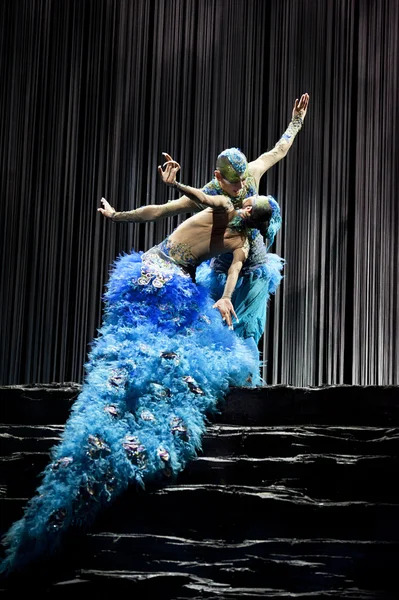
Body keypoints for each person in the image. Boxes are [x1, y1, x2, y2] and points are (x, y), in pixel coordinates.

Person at [0, 163, 272, 577]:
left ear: (248, 211)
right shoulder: (238, 233)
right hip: (165, 281)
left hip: (155, 273)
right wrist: (120, 216)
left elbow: (190, 205)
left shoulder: (224, 208)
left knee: (143, 354)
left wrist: (175, 185)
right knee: (151, 352)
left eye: (250, 199)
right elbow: (175, 213)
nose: (242, 194)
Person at [98, 93, 310, 362]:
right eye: (235, 183)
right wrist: (118, 215)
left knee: (243, 331)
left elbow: (278, 150)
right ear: (218, 177)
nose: (242, 187)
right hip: (216, 264)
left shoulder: (248, 183)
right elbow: (163, 210)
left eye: (244, 180)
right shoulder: (216, 197)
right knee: (200, 330)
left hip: (251, 264)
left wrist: (296, 122)